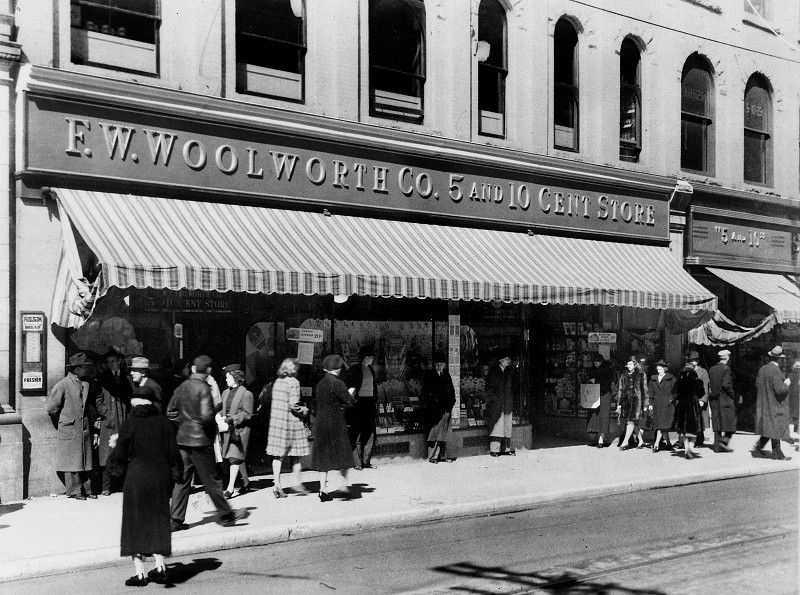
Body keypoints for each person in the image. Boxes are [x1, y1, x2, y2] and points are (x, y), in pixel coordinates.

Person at [108, 382, 182, 587]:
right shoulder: (164, 423)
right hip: (159, 479)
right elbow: (174, 454)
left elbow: (120, 455)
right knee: (157, 521)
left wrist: (114, 468)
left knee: (135, 524)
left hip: (136, 480)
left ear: (134, 402)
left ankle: (140, 573)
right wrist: (176, 475)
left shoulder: (130, 423)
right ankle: (160, 568)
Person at [167, 355, 249, 529]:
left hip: (183, 440)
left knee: (182, 480)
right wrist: (211, 428)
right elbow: (206, 416)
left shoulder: (183, 386)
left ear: (195, 369)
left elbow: (171, 412)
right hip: (200, 441)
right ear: (208, 370)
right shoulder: (203, 388)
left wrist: (184, 424)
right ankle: (226, 515)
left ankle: (175, 520)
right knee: (211, 480)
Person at [46, 352, 99, 500]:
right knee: (72, 460)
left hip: (84, 427)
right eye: (84, 367)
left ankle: (87, 489)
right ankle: (75, 490)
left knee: (85, 459)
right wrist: (63, 421)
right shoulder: (62, 385)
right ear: (76, 369)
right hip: (70, 427)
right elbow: (52, 408)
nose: (87, 370)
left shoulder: (86, 383)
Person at [311, 354, 356, 502]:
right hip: (336, 423)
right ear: (337, 369)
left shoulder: (320, 384)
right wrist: (351, 393)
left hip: (322, 423)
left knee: (324, 458)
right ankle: (344, 485)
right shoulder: (338, 383)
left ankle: (322, 489)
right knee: (343, 454)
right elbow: (349, 401)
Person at [266, 358, 311, 498]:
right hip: (290, 424)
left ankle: (277, 485)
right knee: (296, 455)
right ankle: (297, 484)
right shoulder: (294, 382)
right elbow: (294, 405)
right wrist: (305, 410)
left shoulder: (277, 382)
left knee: (278, 455)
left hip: (277, 424)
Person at [96, 349, 132, 496]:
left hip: (123, 420)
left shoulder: (127, 378)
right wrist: (107, 414)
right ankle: (106, 486)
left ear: (119, 362)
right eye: (109, 362)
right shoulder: (102, 378)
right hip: (109, 422)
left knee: (123, 453)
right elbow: (98, 401)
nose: (111, 365)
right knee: (107, 454)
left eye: (114, 362)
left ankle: (122, 485)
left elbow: (131, 398)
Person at [753, 346, 793, 461]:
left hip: (764, 403)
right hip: (774, 404)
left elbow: (757, 385)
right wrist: (786, 384)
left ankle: (759, 446)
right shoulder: (776, 371)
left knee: (768, 426)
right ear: (779, 359)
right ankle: (778, 455)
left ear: (771, 357)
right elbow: (779, 390)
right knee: (775, 428)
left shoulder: (762, 369)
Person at [220, 364, 254, 499]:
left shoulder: (246, 394)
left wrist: (233, 419)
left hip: (239, 430)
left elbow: (248, 413)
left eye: (228, 377)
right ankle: (246, 482)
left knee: (234, 458)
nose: (226, 379)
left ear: (236, 377)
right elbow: (221, 407)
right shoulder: (225, 393)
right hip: (227, 429)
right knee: (238, 458)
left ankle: (230, 488)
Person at [346, 346, 378, 470]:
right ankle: (357, 462)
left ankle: (366, 461)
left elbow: (374, 388)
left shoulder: (371, 370)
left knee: (370, 432)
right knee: (357, 433)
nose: (373, 359)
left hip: (369, 403)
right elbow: (350, 387)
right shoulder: (354, 370)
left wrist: (374, 400)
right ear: (366, 357)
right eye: (371, 357)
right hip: (359, 403)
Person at [422, 352, 456, 463]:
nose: (442, 366)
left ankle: (442, 456)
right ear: (436, 364)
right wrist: (431, 405)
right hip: (435, 410)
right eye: (440, 364)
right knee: (435, 433)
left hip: (446, 409)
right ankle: (432, 457)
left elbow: (452, 391)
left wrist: (451, 403)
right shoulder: (429, 376)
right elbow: (425, 394)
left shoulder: (446, 375)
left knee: (444, 434)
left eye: (443, 364)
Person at [486, 350, 516, 457]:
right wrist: (495, 399)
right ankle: (495, 450)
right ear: (501, 360)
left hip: (507, 404)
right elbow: (489, 389)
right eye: (507, 359)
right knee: (497, 427)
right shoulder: (493, 371)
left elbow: (511, 388)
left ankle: (506, 449)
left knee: (507, 427)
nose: (509, 361)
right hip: (497, 405)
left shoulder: (508, 372)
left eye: (509, 359)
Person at [673, 363, 705, 460]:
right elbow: (701, 393)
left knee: (684, 430)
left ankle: (687, 449)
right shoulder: (697, 381)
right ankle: (690, 449)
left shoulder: (680, 381)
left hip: (682, 406)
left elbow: (675, 394)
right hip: (693, 406)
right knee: (694, 430)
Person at [708, 349, 737, 453]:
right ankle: (724, 442)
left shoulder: (711, 369)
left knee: (717, 422)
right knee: (731, 422)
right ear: (727, 358)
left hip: (714, 399)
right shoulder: (726, 369)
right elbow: (726, 385)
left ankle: (717, 447)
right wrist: (733, 395)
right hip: (725, 398)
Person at [615, 356, 645, 450]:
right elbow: (620, 390)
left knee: (630, 421)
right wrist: (619, 404)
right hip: (626, 401)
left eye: (630, 364)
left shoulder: (641, 375)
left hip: (637, 402)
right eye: (627, 364)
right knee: (633, 422)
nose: (628, 366)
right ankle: (641, 441)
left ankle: (625, 442)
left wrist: (646, 403)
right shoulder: (623, 376)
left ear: (635, 365)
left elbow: (644, 390)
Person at [586, 353, 614, 448]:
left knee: (603, 416)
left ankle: (601, 439)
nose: (596, 364)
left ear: (601, 362)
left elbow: (607, 383)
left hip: (604, 395)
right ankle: (599, 439)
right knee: (598, 416)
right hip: (598, 395)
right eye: (595, 363)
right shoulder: (595, 370)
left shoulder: (607, 370)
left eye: (597, 362)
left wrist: (596, 381)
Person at [648, 360, 676, 453]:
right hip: (656, 404)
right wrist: (650, 404)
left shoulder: (671, 378)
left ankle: (656, 444)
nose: (658, 368)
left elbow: (676, 391)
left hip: (667, 405)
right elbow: (651, 392)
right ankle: (668, 444)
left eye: (660, 366)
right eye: (657, 366)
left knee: (661, 425)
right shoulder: (653, 379)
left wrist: (671, 399)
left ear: (665, 368)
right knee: (661, 425)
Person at [687, 351, 711, 447]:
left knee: (699, 420)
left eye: (693, 360)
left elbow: (706, 386)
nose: (692, 362)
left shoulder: (703, 372)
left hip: (699, 399)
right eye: (690, 360)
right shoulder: (687, 370)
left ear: (697, 361)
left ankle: (699, 440)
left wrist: (703, 400)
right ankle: (689, 440)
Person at [788, 359, 800, 447]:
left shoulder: (790, 375)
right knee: (793, 417)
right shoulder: (791, 375)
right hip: (792, 398)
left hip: (796, 398)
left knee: (795, 417)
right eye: (797, 366)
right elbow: (786, 385)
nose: (798, 368)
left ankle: (794, 435)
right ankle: (791, 436)